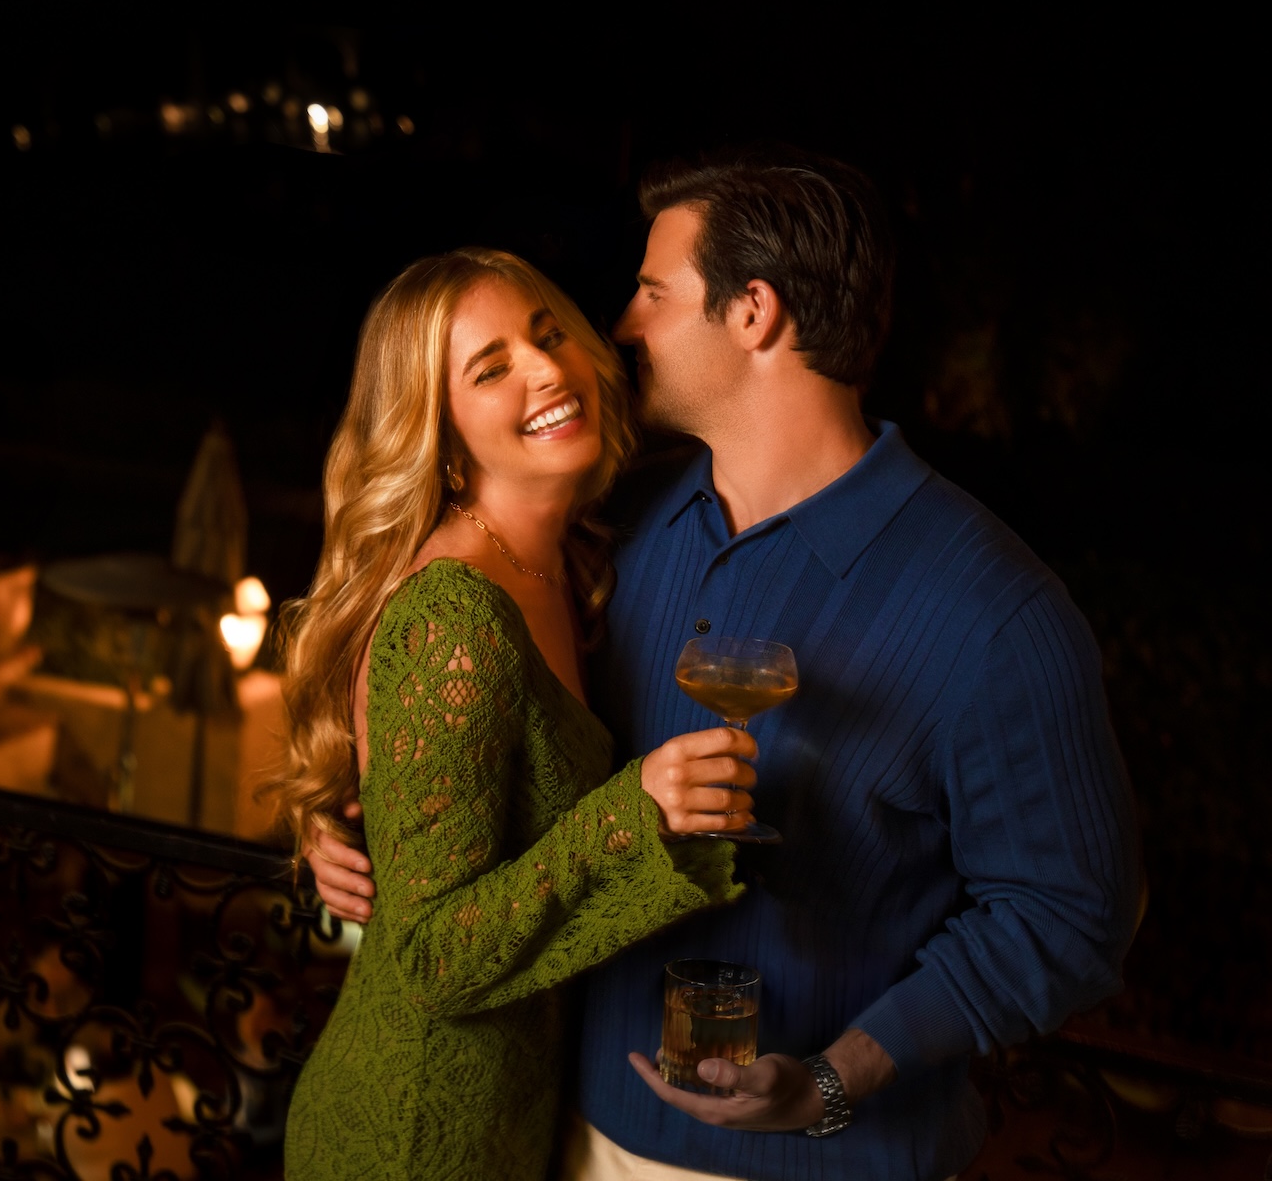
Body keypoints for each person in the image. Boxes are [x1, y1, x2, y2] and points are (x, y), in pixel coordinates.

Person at [306, 147, 1142, 1180]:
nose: (616, 326)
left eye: (653, 291)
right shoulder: (617, 532)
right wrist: (341, 811)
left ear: (754, 312)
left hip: (828, 1160)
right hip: (560, 1139)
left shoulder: (997, 612)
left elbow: (1070, 916)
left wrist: (841, 1075)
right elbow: (442, 686)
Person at [272, 248, 755, 1180]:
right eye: (490, 369)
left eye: (546, 334)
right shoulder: (454, 615)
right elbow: (428, 958)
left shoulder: (565, 565)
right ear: (441, 433)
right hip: (412, 1132)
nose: (546, 370)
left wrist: (331, 813)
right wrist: (636, 816)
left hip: (508, 1117)